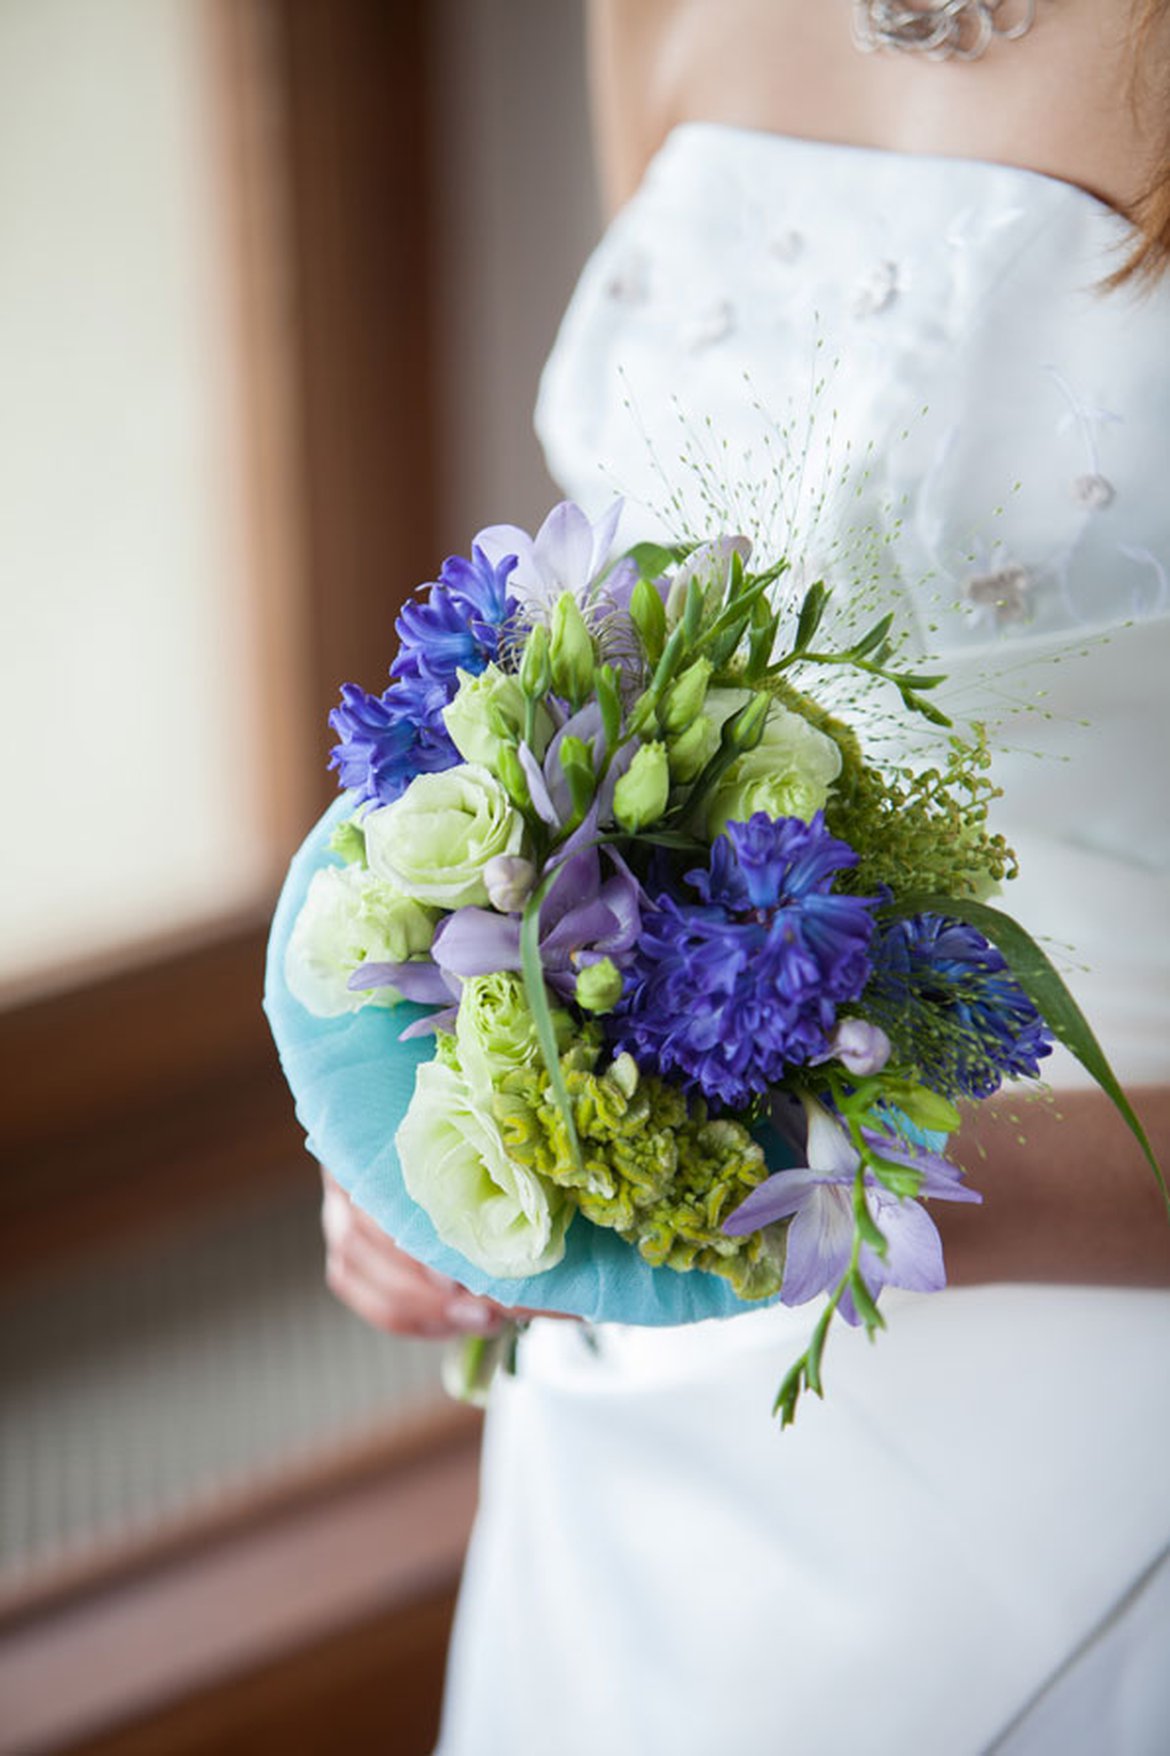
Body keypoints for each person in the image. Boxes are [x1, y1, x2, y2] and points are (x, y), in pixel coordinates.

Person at [322, 3, 1170, 1749]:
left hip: (1103, 1369)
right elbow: (657, 587)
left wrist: (841, 1180)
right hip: (650, 1377)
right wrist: (442, 1089)